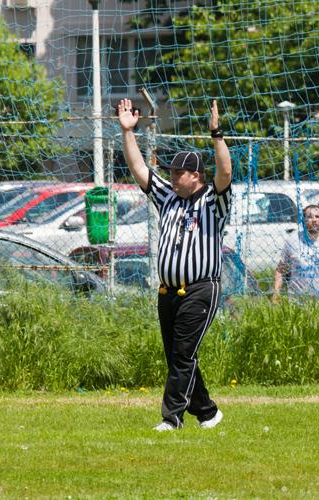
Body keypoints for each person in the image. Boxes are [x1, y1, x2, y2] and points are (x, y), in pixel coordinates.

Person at [117, 98, 232, 430]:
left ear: (195, 175)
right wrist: (127, 132)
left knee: (183, 354)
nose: (171, 175)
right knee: (178, 357)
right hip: (167, 291)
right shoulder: (167, 196)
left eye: (178, 172)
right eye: (170, 171)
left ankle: (172, 419)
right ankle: (208, 412)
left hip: (200, 290)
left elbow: (225, 171)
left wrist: (217, 134)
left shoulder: (213, 201)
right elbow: (140, 170)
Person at [273, 204, 319, 302]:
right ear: (303, 220)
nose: (314, 220)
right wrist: (276, 292)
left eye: (317, 217)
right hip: (295, 300)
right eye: (309, 217)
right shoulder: (292, 241)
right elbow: (280, 270)